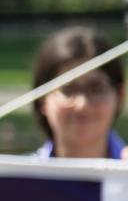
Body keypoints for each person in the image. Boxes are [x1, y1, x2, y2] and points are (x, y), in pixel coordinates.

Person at [32, 26, 126, 159]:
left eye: (97, 89)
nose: (82, 104)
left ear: (120, 95)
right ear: (42, 99)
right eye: (67, 90)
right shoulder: (14, 178)